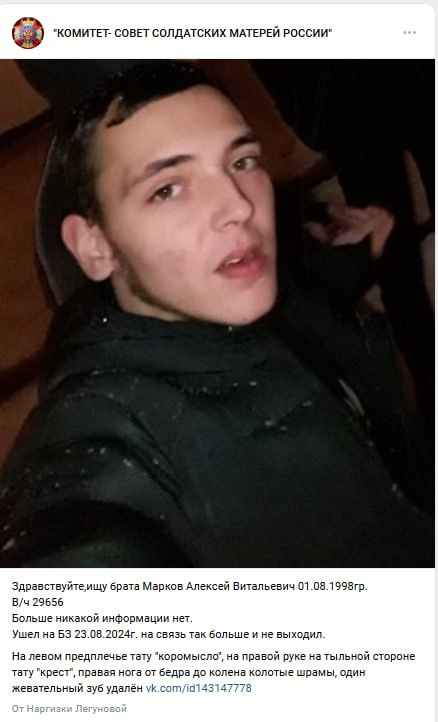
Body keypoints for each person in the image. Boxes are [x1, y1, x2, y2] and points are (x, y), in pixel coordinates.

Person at [0, 60, 433, 567]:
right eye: (167, 189)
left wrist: (349, 252)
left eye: (242, 161)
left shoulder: (226, 283)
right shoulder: (105, 445)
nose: (239, 207)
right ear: (95, 248)